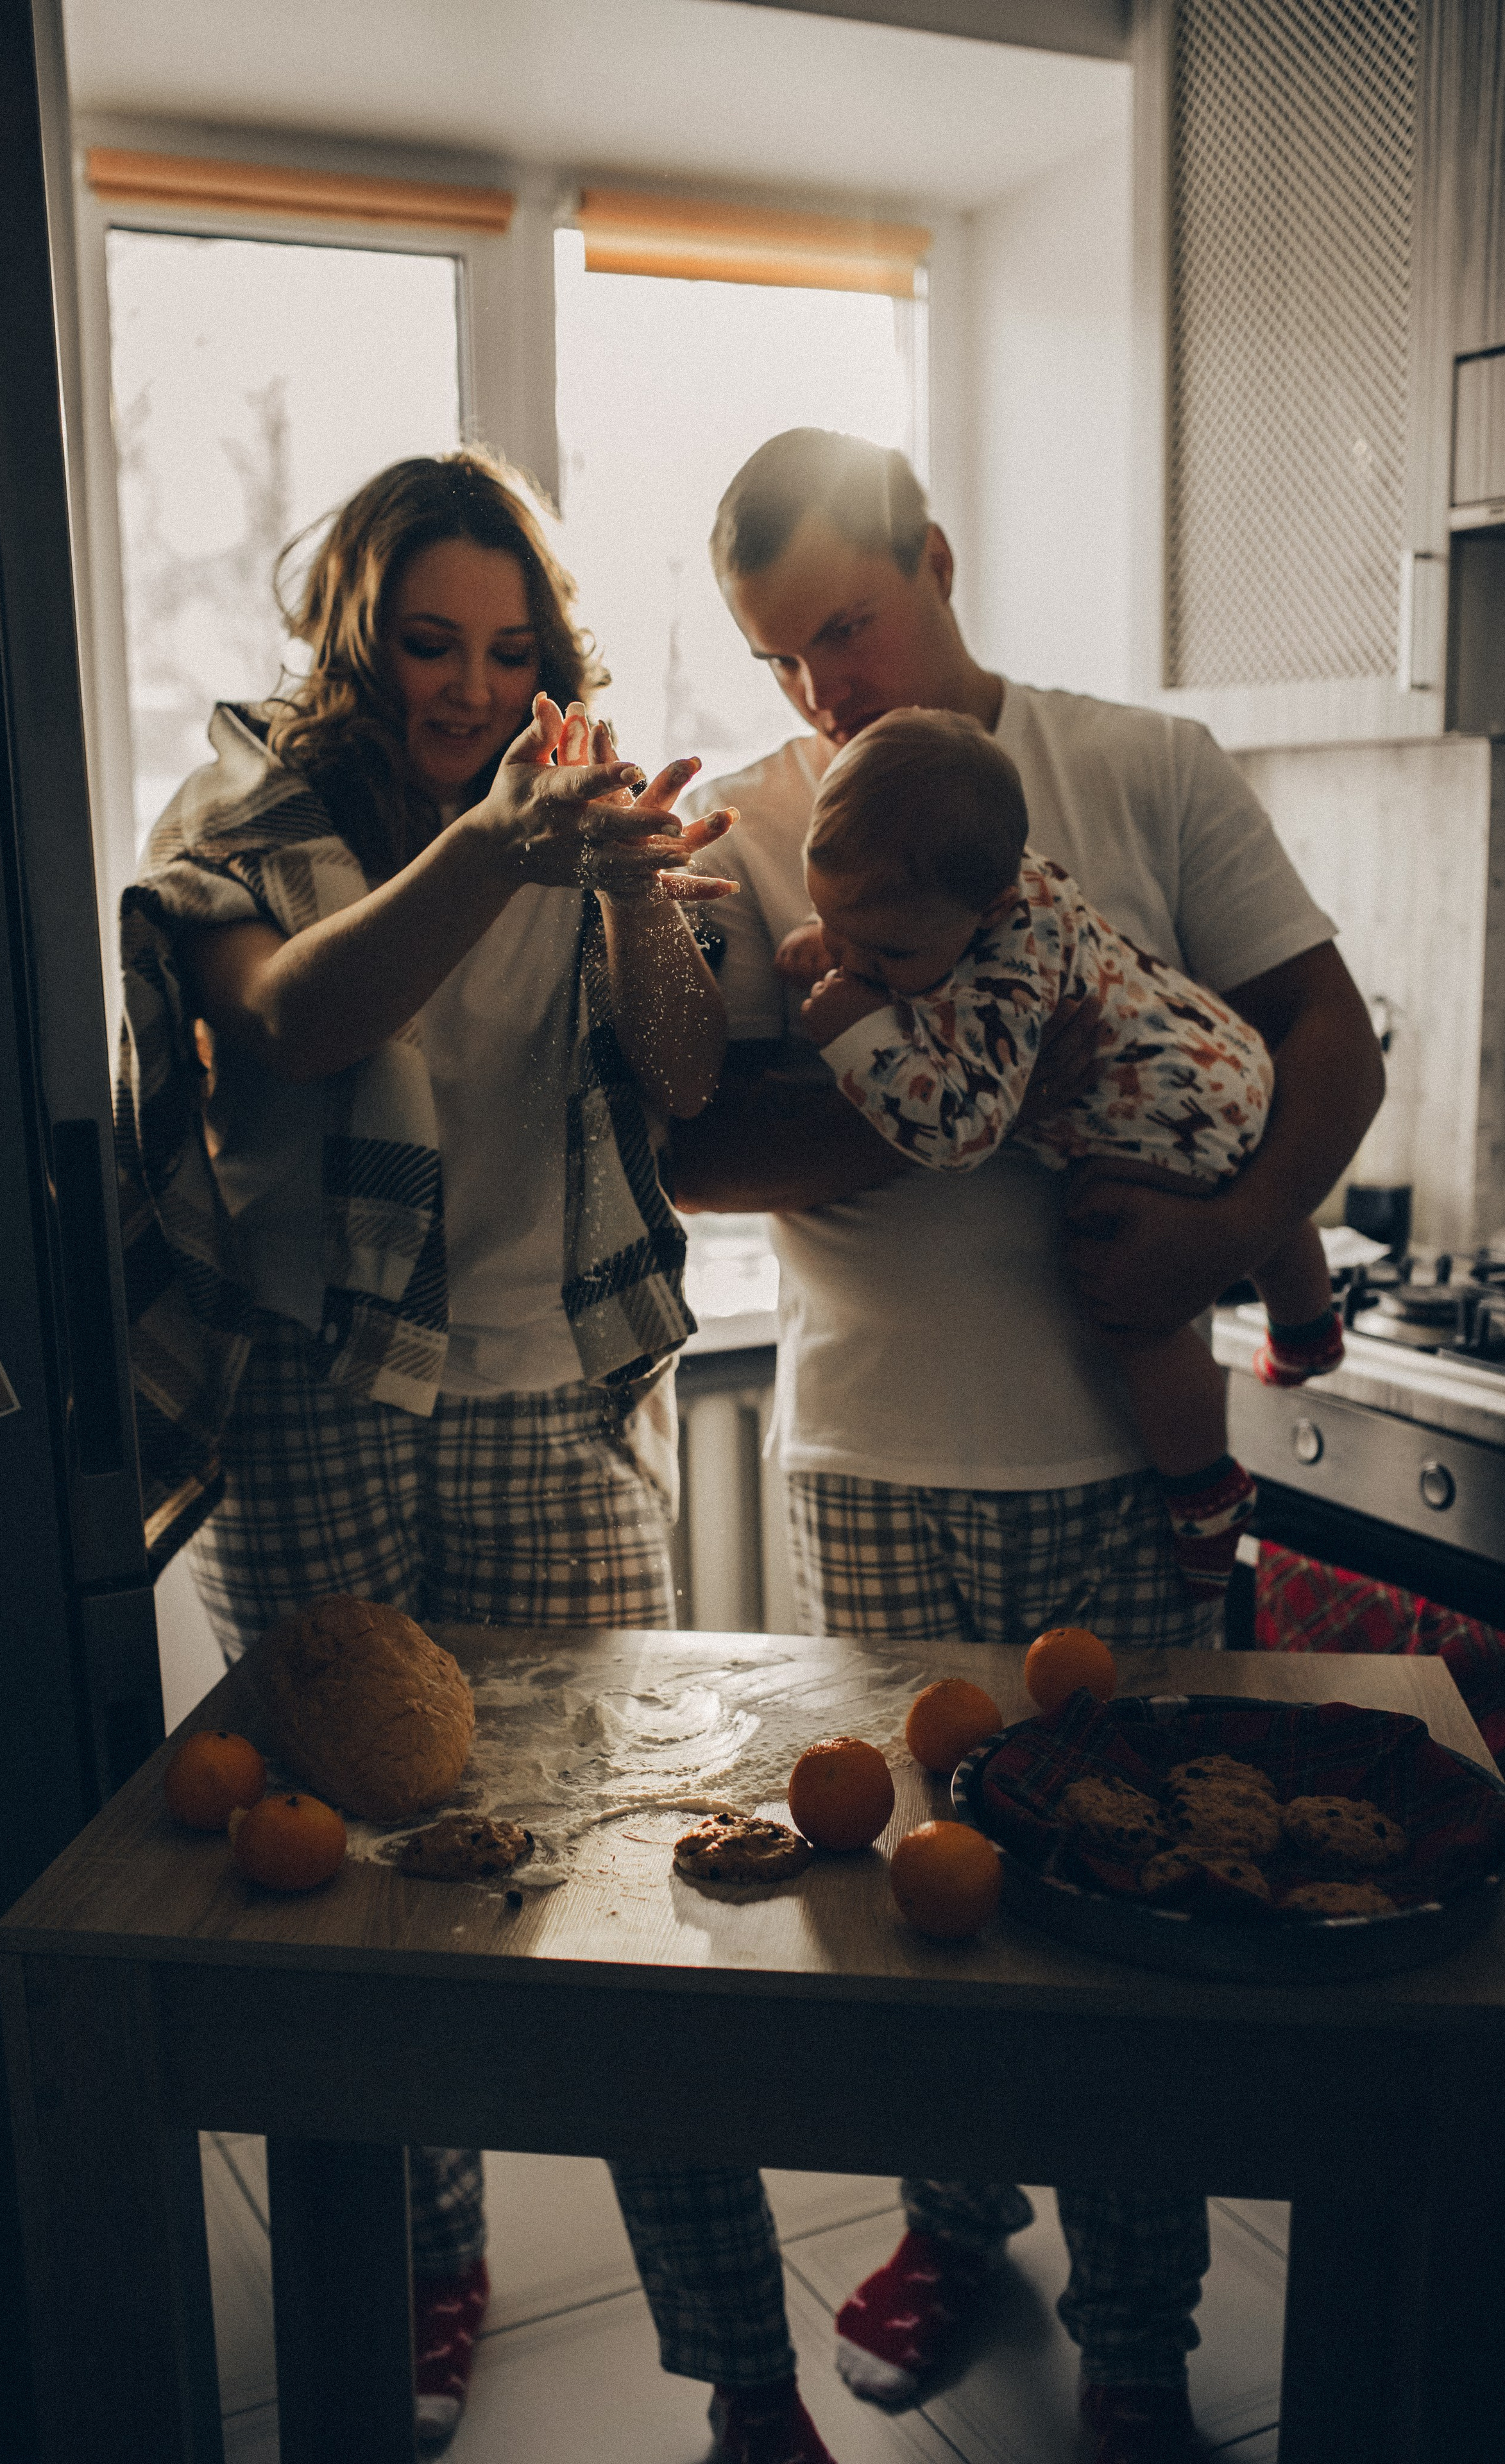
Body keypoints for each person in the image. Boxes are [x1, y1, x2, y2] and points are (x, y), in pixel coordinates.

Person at [665, 430, 1384, 2464]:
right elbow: (693, 1150)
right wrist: (930, 1100)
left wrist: (1234, 1240)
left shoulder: (1143, 766)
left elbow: (1327, 1043)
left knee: (1138, 1908)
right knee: (918, 1888)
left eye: (845, 627)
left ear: (936, 557)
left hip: (1119, 1462)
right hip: (869, 1457)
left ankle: (1140, 2323)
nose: (821, 690)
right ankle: (951, 2227)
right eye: (779, 657)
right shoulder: (752, 832)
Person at [116, 450, 838, 2464]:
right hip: (311, 1402)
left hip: (544, 1387)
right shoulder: (242, 821)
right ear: (355, 642)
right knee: (359, 1891)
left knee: (630, 1888)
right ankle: (425, 2273)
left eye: (509, 649)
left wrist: (628, 898)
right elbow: (288, 1027)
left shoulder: (579, 808)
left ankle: (744, 2365)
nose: (470, 685)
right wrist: (499, 851)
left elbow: (680, 1083)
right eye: (429, 644)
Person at [787, 705, 1342, 1600]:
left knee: (1133, 1307)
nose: (856, 960)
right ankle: (1306, 1323)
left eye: (888, 950)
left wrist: (859, 1035)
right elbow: (893, 927)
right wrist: (850, 944)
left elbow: (964, 1130)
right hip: (1225, 1063)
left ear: (986, 911)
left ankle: (1207, 1489)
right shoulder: (995, 882)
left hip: (1157, 1122)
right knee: (1248, 1172)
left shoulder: (1007, 977)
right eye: (832, 921)